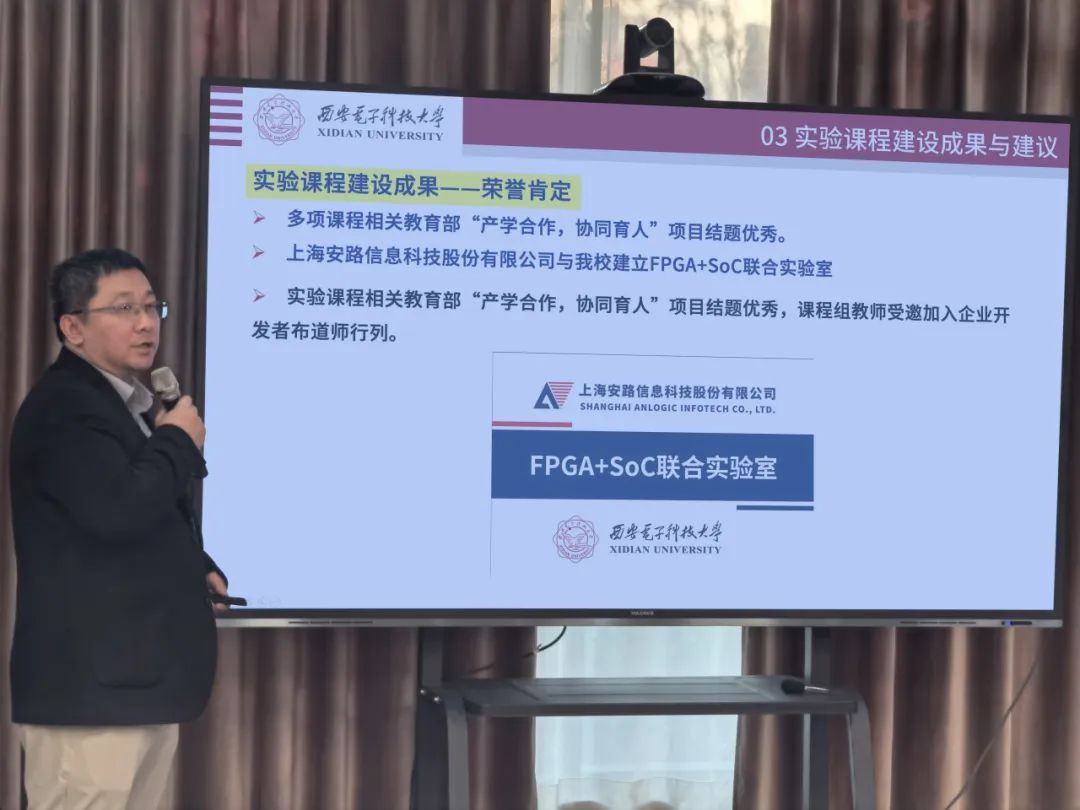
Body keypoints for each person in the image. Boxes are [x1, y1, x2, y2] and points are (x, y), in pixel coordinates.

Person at [8, 248, 230, 810]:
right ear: (73, 328)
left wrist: (195, 566)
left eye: (152, 307)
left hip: (134, 686)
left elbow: (125, 513)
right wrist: (176, 440)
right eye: (124, 308)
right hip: (90, 693)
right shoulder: (65, 408)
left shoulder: (120, 404)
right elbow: (117, 509)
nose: (145, 323)